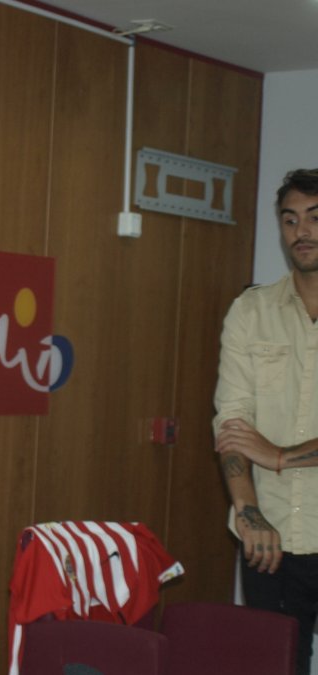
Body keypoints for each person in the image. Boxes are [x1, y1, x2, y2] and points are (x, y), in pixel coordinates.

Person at [215, 168, 318, 674]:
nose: (303, 232)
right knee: (275, 668)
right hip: (270, 538)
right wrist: (248, 512)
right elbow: (232, 423)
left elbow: (259, 445)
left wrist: (277, 455)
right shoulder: (250, 312)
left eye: (316, 218)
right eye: (291, 219)